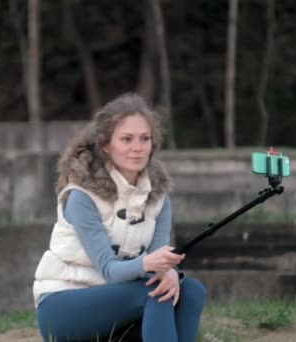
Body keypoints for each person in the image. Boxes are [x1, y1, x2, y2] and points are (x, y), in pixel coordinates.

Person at [33, 93, 206, 341]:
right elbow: (108, 269)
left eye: (144, 139)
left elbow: (159, 263)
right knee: (152, 292)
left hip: (121, 303)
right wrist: (149, 265)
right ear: (106, 146)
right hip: (64, 306)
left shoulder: (159, 198)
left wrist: (168, 273)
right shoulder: (81, 197)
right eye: (126, 139)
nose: (137, 147)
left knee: (190, 290)